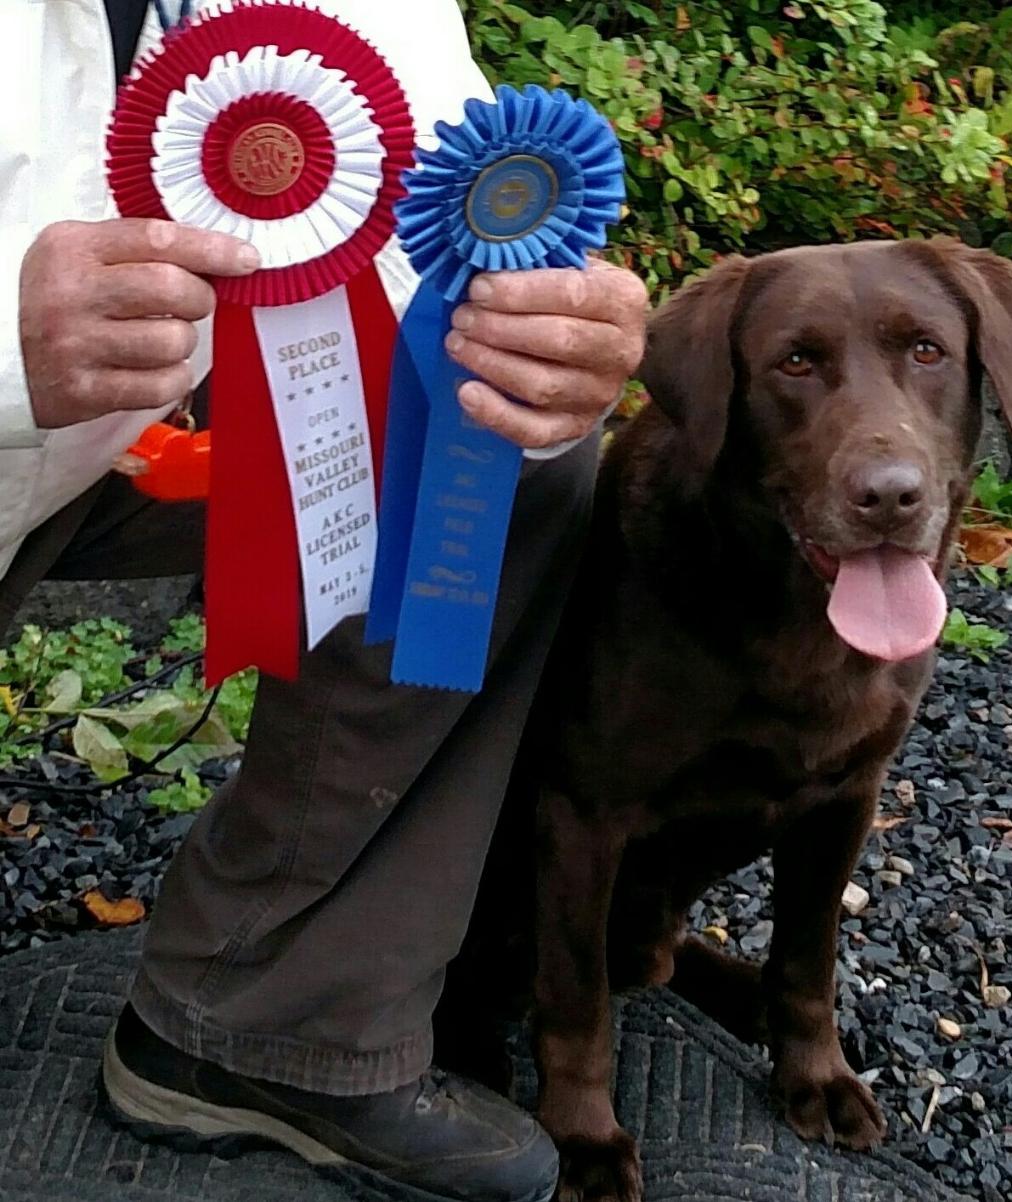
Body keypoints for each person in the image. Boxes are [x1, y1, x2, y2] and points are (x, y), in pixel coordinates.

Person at [1, 3, 648, 1201]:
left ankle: (259, 1019)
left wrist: (539, 322)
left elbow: (442, 200)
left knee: (498, 443)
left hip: (122, 443)